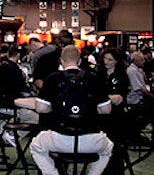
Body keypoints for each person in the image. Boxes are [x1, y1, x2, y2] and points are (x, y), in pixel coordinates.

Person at [29, 45, 114, 175]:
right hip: (91, 138)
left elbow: (40, 108)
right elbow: (106, 110)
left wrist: (54, 107)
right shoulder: (94, 78)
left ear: (61, 61)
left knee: (36, 145)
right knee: (108, 148)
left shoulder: (53, 78)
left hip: (60, 137)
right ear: (79, 61)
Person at [0, 44, 39, 147]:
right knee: (36, 118)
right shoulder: (17, 70)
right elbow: (21, 89)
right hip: (9, 105)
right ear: (18, 55)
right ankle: (14, 135)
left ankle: (5, 131)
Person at [126, 51, 154, 143]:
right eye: (142, 60)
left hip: (139, 97)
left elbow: (144, 82)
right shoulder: (132, 71)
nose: (144, 61)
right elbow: (140, 89)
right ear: (135, 60)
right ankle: (135, 132)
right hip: (135, 100)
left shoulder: (136, 70)